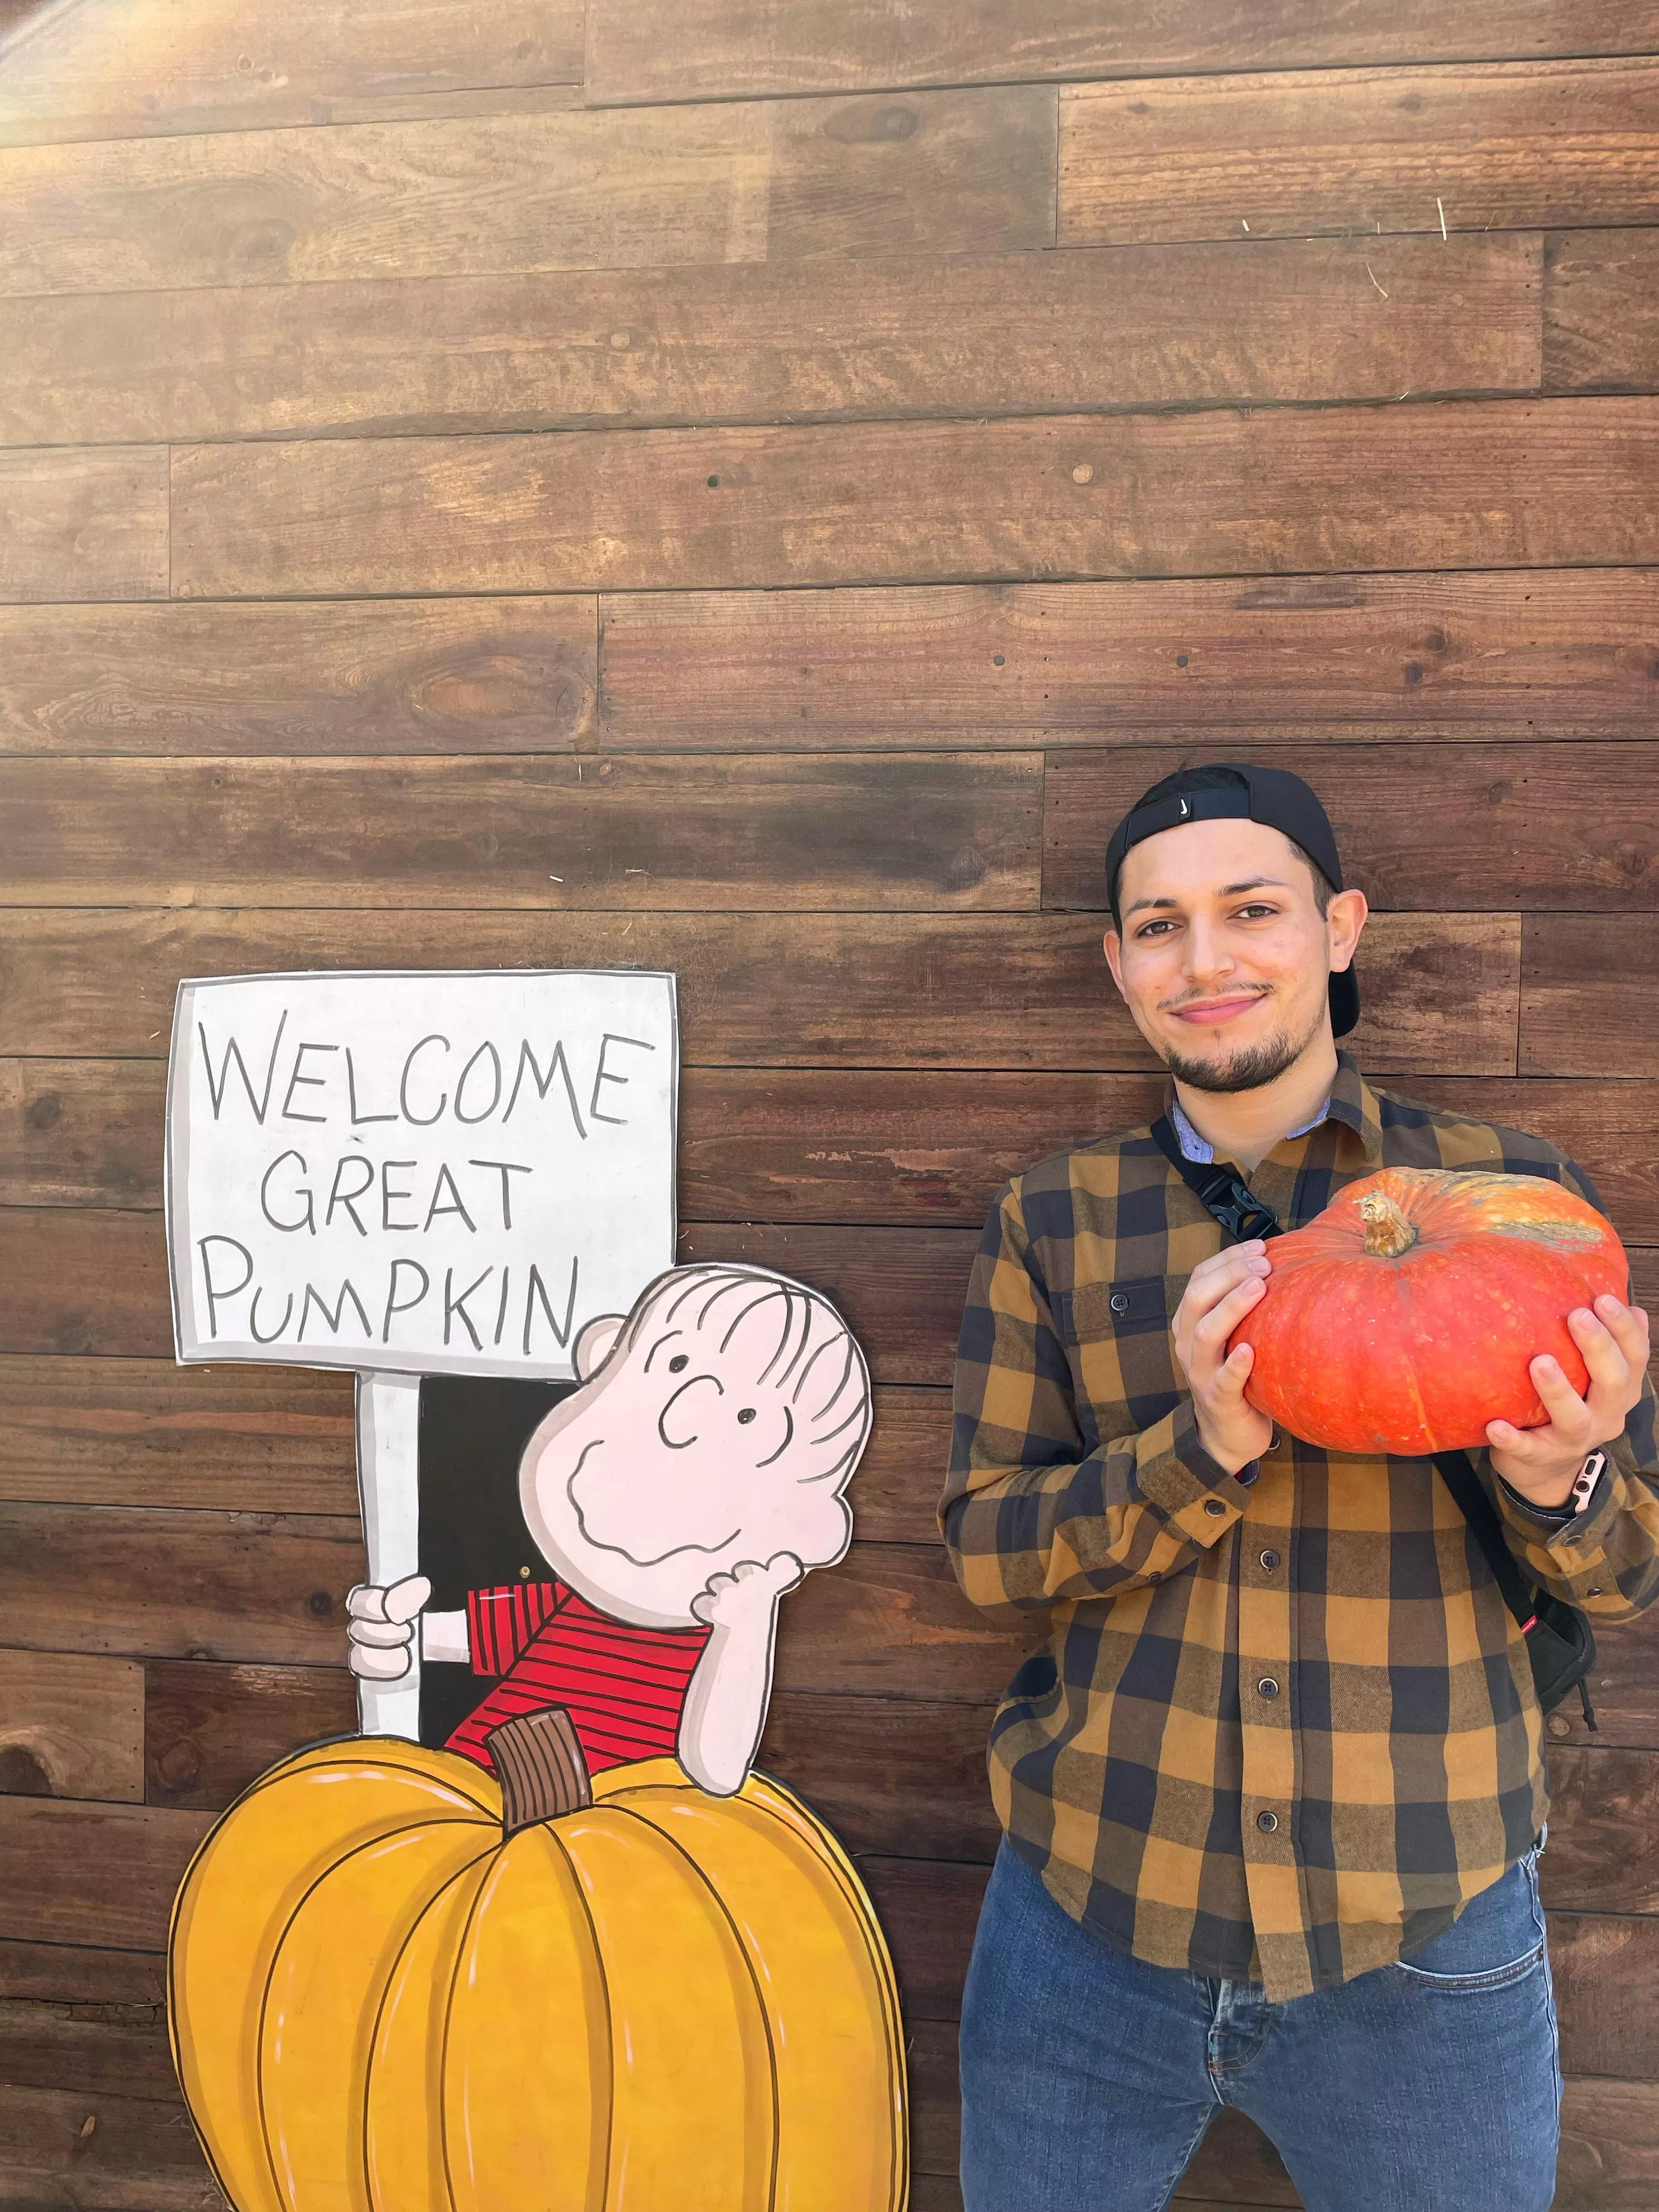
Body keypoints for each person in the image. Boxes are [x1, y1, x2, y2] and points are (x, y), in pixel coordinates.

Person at [941, 761, 1659, 2212]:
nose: (1206, 960)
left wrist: (1562, 1477)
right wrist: (1194, 1449)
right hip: (1091, 1924)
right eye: (1160, 925)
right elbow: (988, 1550)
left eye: (1250, 909)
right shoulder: (1054, 1216)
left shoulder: (1513, 1196)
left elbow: (1627, 1570)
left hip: (1423, 1944)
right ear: (1118, 962)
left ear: (1339, 928)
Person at [348, 1261, 870, 1795]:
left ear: (809, 1525)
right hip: (462, 1816)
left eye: (747, 1419)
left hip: (624, 1854)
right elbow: (454, 1640)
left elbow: (718, 1770)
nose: (680, 1422)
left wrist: (746, 1627)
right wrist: (397, 1639)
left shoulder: (710, 1646)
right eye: (676, 1364)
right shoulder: (563, 1607)